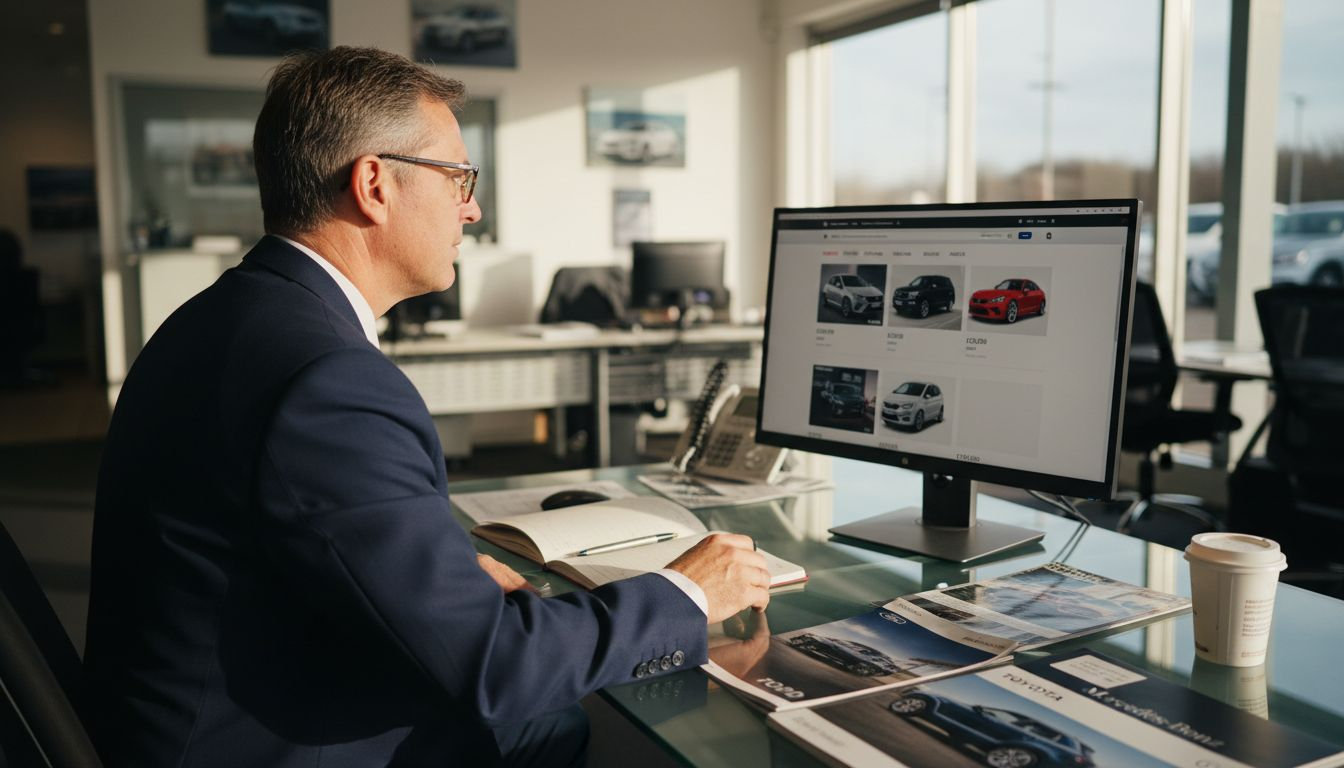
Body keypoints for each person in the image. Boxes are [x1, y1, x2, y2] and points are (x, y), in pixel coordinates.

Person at [83, 46, 770, 767]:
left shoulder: (224, 316)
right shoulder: (329, 379)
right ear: (374, 185)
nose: (472, 208)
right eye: (458, 178)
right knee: (565, 720)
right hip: (253, 745)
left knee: (556, 722)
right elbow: (496, 669)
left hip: (191, 707)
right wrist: (686, 593)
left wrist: (437, 578)